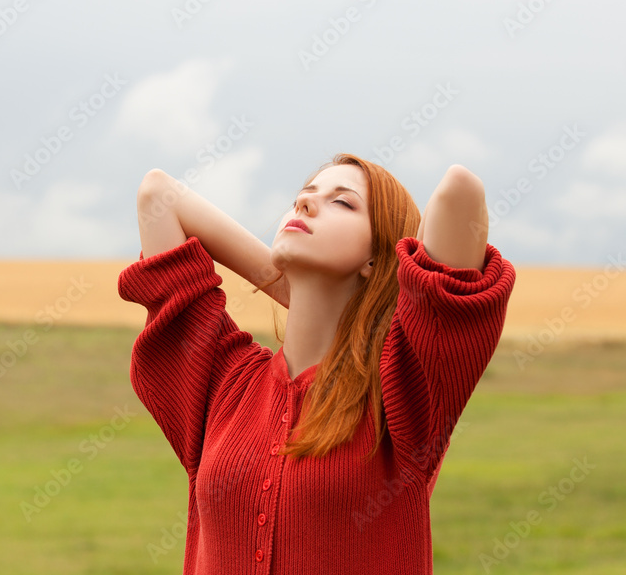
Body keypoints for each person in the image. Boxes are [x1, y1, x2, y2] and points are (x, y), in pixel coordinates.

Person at [117, 153, 516, 574]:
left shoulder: (400, 393)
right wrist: (287, 283)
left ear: (376, 258)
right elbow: (158, 195)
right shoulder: (222, 384)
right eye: (302, 198)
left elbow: (460, 190)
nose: (305, 205)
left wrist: (377, 296)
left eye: (343, 203)